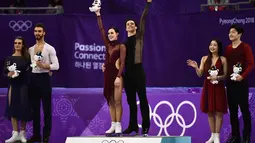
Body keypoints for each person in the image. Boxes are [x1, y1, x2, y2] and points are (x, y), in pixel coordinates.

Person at [119, 0, 152, 137]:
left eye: (132, 23)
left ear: (136, 27)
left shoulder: (139, 38)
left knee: (143, 100)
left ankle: (145, 127)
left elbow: (143, 19)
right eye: (128, 24)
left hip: (139, 72)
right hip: (128, 74)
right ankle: (132, 126)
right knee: (131, 102)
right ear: (126, 28)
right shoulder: (124, 44)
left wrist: (148, 4)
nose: (130, 25)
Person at [187, 39, 228, 143]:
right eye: (211, 45)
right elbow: (200, 74)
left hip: (218, 87)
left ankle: (217, 136)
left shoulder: (223, 59)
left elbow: (225, 75)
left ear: (218, 47)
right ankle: (212, 136)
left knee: (219, 111)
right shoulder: (204, 59)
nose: (212, 47)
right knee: (210, 111)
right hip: (208, 87)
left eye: (214, 45)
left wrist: (217, 78)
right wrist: (196, 67)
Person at [95, 9, 126, 136]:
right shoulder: (108, 46)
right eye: (109, 33)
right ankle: (113, 124)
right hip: (107, 75)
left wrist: (118, 77)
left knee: (118, 101)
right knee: (110, 101)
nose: (109, 35)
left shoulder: (121, 47)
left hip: (117, 76)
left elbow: (123, 63)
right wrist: (98, 15)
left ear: (117, 34)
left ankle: (119, 125)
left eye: (112, 33)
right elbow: (101, 30)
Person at [27, 23, 59, 143]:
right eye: (35, 31)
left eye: (39, 31)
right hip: (33, 79)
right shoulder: (30, 49)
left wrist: (44, 66)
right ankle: (36, 135)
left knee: (46, 109)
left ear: (44, 33)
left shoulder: (50, 48)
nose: (37, 33)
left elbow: (56, 66)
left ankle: (46, 136)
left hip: (44, 79)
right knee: (35, 110)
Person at [225, 24, 254, 143]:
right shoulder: (227, 49)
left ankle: (246, 137)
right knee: (232, 111)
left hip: (241, 83)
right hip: (230, 83)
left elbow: (251, 64)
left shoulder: (245, 47)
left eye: (233, 32)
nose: (230, 34)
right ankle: (235, 136)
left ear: (239, 34)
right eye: (229, 32)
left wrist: (242, 76)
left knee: (244, 110)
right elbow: (226, 65)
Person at [4, 36, 32, 143]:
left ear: (23, 45)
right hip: (13, 86)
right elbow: (5, 72)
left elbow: (30, 71)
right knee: (13, 107)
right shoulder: (9, 58)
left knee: (24, 108)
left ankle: (22, 133)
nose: (17, 45)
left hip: (24, 86)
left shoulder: (26, 58)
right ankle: (15, 133)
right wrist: (9, 74)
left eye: (19, 43)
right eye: (15, 43)